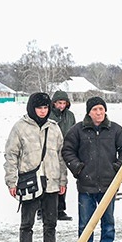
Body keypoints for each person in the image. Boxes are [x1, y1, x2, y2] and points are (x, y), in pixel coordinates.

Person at [62, 97, 122, 242]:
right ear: (89, 112)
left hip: (109, 184)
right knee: (85, 222)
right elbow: (67, 150)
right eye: (95, 110)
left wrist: (116, 168)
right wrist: (78, 169)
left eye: (101, 109)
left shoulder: (115, 129)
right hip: (86, 185)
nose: (99, 112)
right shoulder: (78, 130)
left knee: (108, 221)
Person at [4, 93, 68, 242]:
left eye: (46, 107)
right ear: (32, 108)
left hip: (52, 183)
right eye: (39, 107)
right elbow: (11, 155)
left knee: (51, 223)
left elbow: (61, 157)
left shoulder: (54, 128)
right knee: (27, 224)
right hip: (29, 183)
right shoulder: (20, 128)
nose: (42, 111)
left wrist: (63, 179)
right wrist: (11, 181)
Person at [48, 90, 76, 221]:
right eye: (59, 103)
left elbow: (74, 131)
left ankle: (60, 209)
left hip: (65, 150)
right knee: (48, 180)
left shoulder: (70, 116)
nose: (61, 106)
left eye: (64, 103)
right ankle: (43, 209)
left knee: (62, 180)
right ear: (54, 103)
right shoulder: (48, 115)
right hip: (49, 150)